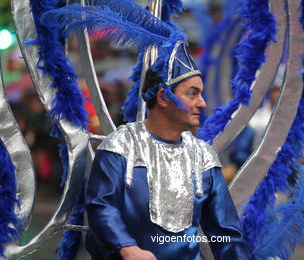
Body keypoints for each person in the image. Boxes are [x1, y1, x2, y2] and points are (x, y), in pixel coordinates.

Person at [85, 41, 252, 260]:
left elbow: (226, 235)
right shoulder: (121, 146)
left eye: (200, 94)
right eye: (192, 94)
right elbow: (101, 206)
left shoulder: (203, 157)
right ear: (163, 97)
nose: (202, 103)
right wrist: (127, 248)